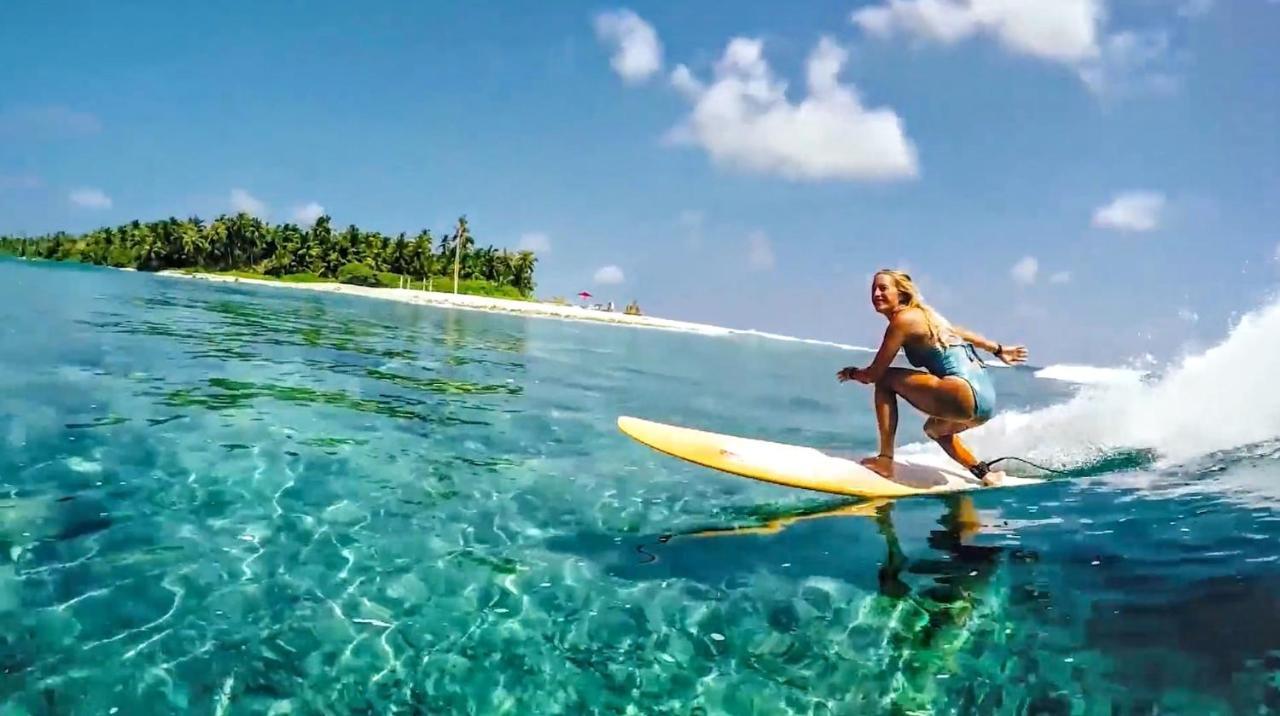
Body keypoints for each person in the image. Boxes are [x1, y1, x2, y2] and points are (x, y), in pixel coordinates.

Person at [837, 269, 1027, 485]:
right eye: (873, 289)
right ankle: (984, 473)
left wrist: (852, 373)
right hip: (984, 401)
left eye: (883, 288)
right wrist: (998, 349)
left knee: (885, 379)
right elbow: (961, 332)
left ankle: (885, 460)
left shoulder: (903, 321)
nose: (876, 294)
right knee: (934, 430)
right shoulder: (928, 316)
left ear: (901, 293)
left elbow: (874, 374)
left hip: (962, 391)